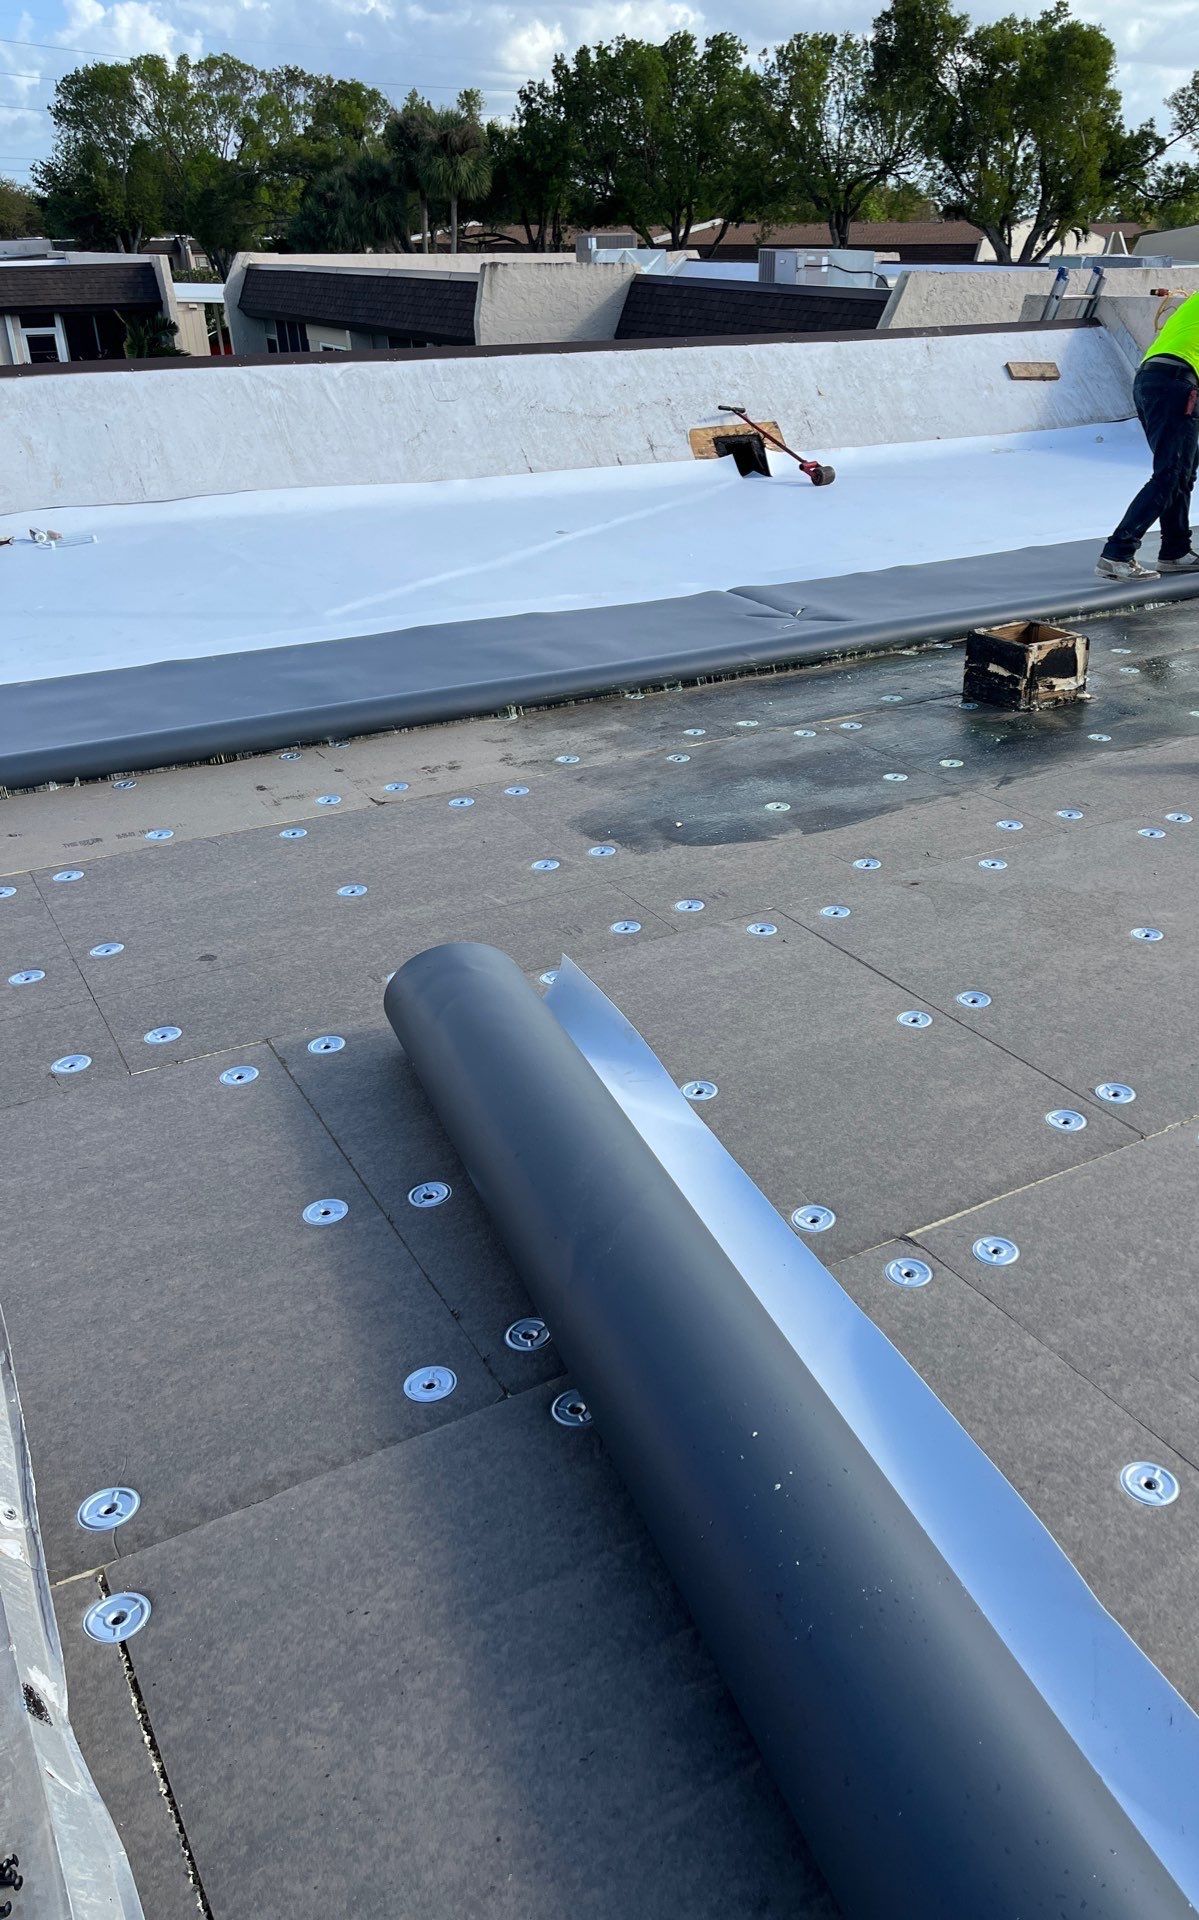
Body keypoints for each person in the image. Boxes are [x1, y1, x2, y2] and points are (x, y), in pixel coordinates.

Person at [1097, 291, 1199, 580]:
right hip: (1177, 382)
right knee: (1170, 474)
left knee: (1182, 473)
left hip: (1153, 379)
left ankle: (1175, 551)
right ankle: (1117, 554)